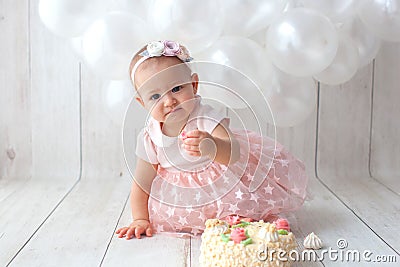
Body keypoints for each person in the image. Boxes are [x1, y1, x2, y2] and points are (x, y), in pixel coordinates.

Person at [115, 40, 308, 240]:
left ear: (194, 85)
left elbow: (234, 153)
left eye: (176, 89)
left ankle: (245, 220)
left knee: (240, 206)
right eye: (155, 96)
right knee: (194, 217)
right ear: (142, 103)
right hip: (185, 198)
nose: (169, 101)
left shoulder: (205, 117)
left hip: (223, 184)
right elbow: (142, 183)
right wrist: (140, 219)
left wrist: (212, 145)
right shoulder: (150, 137)